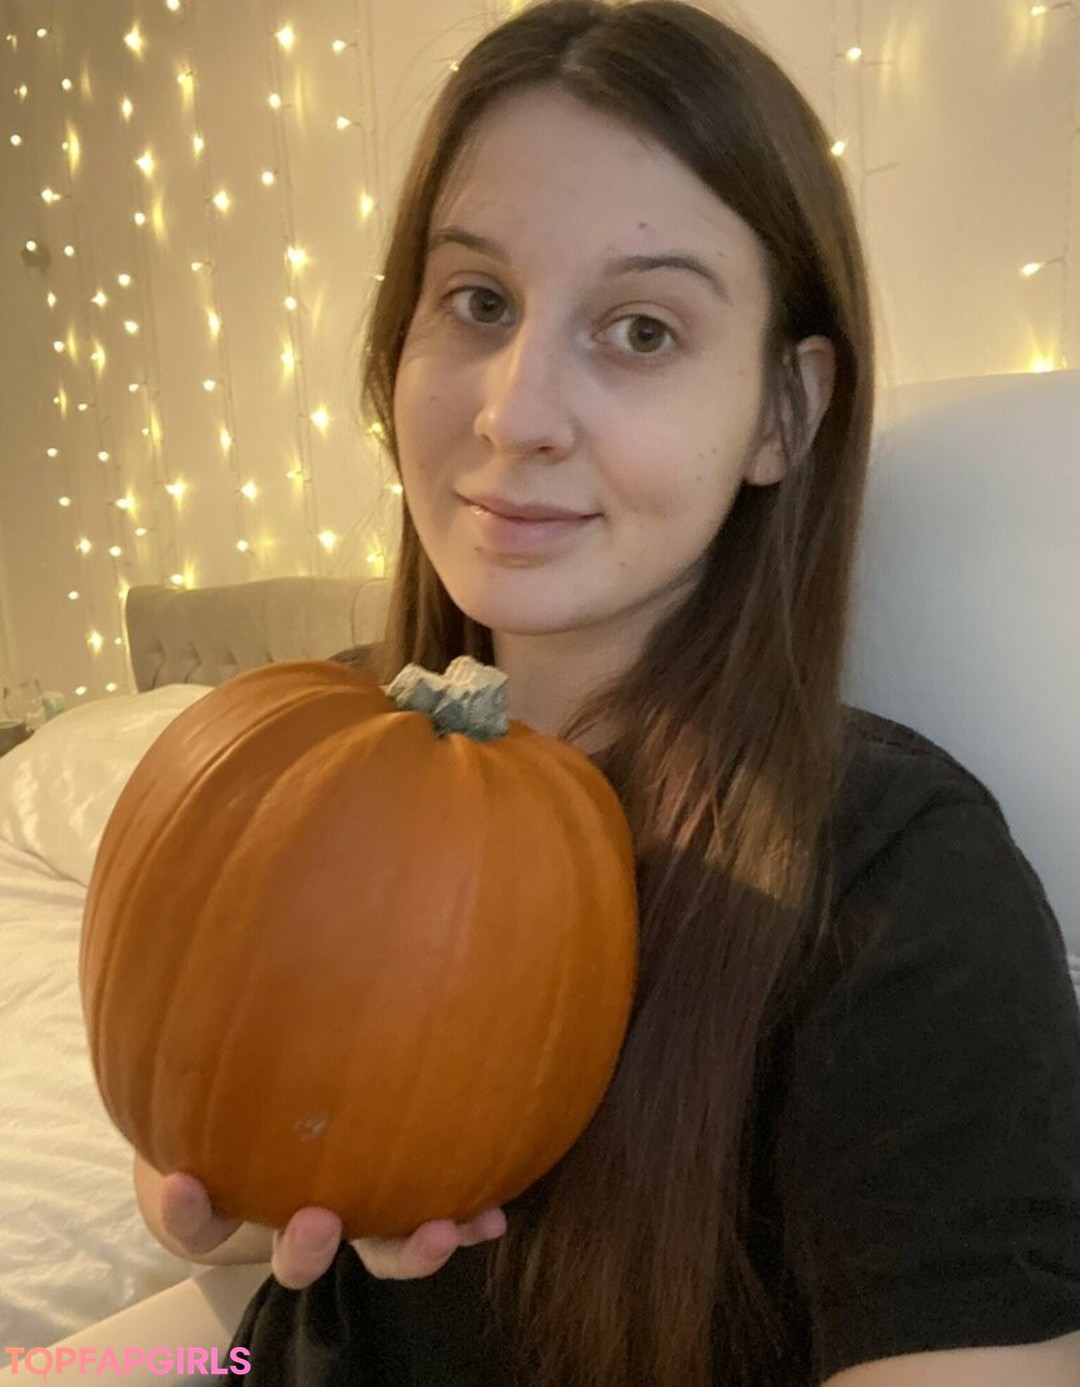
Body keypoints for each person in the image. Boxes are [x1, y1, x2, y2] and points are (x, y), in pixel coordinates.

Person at [132, 1, 1080, 1382]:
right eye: (478, 302)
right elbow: (249, 1273)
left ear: (784, 412)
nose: (516, 415)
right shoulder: (304, 741)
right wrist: (222, 1197)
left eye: (641, 329)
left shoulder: (897, 887)